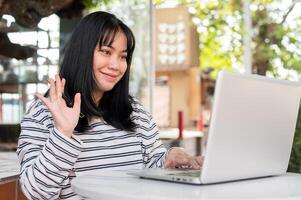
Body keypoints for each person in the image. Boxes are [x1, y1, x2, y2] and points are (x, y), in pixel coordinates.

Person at [16, 11, 202, 200]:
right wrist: (63, 134)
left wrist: (172, 156)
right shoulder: (43, 113)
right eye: (106, 52)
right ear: (82, 52)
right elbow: (36, 192)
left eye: (123, 56)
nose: (116, 65)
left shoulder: (134, 111)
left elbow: (152, 164)